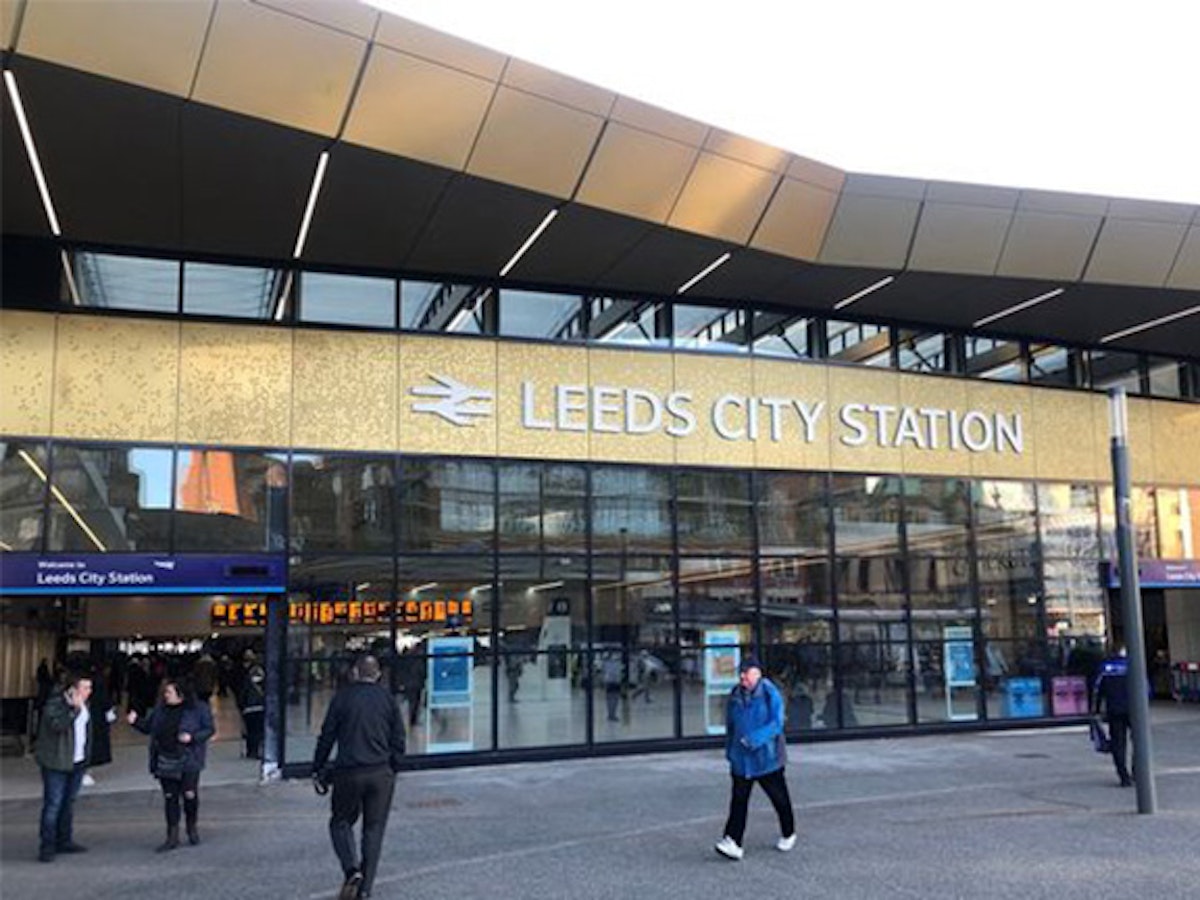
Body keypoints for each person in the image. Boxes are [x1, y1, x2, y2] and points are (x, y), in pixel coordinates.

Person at [313, 654, 406, 900]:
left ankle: (351, 869)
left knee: (340, 822)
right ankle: (365, 890)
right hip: (380, 772)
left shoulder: (342, 698)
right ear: (377, 674)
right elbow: (399, 737)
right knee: (374, 829)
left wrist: (318, 766)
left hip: (349, 770)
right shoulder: (387, 699)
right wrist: (394, 766)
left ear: (355, 672)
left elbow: (327, 735)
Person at [715, 656, 796, 861]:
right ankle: (733, 841)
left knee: (779, 799)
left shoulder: (770, 693)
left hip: (767, 759)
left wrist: (755, 739)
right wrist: (730, 752)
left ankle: (788, 832)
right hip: (741, 760)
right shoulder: (735, 695)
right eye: (741, 672)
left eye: (747, 672)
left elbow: (777, 723)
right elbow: (731, 726)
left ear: (758, 674)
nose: (743, 676)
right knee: (739, 801)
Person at [128, 678, 215, 851]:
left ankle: (191, 826)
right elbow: (149, 728)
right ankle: (172, 835)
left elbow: (209, 729)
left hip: (188, 758)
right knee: (170, 797)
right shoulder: (160, 710)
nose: (165, 696)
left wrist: (192, 738)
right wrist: (136, 721)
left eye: (169, 692)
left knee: (189, 794)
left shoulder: (198, 709)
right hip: (165, 758)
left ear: (180, 694)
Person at [34, 672, 93, 863]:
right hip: (56, 762)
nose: (88, 692)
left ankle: (64, 839)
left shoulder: (86, 705)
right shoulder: (55, 704)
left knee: (68, 803)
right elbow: (58, 725)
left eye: (89, 688)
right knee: (53, 804)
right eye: (85, 688)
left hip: (77, 761)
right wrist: (74, 709)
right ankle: (47, 845)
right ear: (73, 689)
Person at [1093, 645, 1133, 787]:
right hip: (1134, 709)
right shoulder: (1132, 664)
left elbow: (1097, 690)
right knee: (1139, 742)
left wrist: (1096, 710)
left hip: (1114, 709)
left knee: (1118, 743)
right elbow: (1145, 688)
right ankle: (1137, 771)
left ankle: (1123, 776)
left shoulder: (1105, 668)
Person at [238, 650, 266, 759]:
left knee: (251, 730)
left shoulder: (246, 681)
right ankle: (256, 750)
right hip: (260, 708)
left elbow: (242, 696)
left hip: (249, 709)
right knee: (258, 731)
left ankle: (251, 750)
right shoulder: (264, 683)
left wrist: (242, 707)